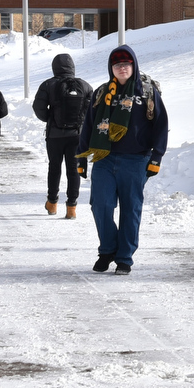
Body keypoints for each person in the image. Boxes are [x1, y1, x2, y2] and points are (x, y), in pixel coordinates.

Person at [75, 44, 168, 275]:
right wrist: (81, 158)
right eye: (117, 64)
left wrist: (156, 157)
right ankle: (107, 250)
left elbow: (161, 124)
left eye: (126, 64)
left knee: (131, 209)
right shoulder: (102, 93)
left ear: (133, 65)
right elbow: (88, 126)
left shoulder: (146, 91)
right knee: (101, 206)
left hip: (135, 161)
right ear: (111, 68)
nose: (122, 68)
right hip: (104, 159)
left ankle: (124, 257)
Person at [31, 52, 93, 217]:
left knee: (54, 168)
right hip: (76, 136)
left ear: (54, 68)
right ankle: (71, 207)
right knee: (73, 170)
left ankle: (52, 203)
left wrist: (50, 118)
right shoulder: (85, 86)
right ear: (72, 67)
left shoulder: (48, 85)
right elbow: (92, 111)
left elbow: (38, 108)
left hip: (55, 136)